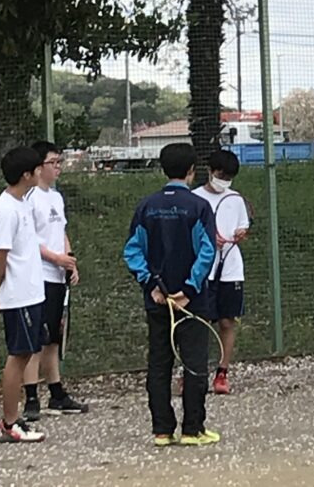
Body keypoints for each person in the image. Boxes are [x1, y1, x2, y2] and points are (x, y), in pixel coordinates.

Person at [123, 143, 218, 446]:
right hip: (192, 302)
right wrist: (188, 290)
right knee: (194, 363)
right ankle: (193, 430)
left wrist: (151, 286)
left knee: (159, 363)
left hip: (158, 302)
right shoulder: (199, 207)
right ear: (192, 171)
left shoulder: (146, 206)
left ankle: (161, 431)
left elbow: (132, 251)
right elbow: (207, 252)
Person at [22, 140, 88, 421]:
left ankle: (57, 393)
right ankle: (31, 398)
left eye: (60, 162)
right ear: (38, 167)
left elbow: (60, 232)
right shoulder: (29, 198)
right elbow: (28, 240)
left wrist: (69, 260)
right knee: (35, 340)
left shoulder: (56, 197)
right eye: (54, 162)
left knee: (53, 339)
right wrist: (54, 259)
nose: (59, 167)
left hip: (57, 278)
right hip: (37, 278)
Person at [0, 146, 46, 443]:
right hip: (17, 296)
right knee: (18, 355)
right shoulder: (5, 210)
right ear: (26, 174)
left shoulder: (23, 202)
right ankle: (9, 423)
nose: (42, 172)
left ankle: (14, 417)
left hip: (32, 293)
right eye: (37, 168)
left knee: (26, 354)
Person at [193, 149, 250, 395]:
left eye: (228, 177)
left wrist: (239, 235)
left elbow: (241, 228)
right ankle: (193, 373)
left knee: (227, 321)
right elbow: (188, 234)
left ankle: (222, 373)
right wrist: (206, 241)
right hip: (203, 271)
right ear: (209, 171)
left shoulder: (235, 199)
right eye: (220, 174)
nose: (223, 180)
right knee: (199, 322)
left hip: (231, 270)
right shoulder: (194, 198)